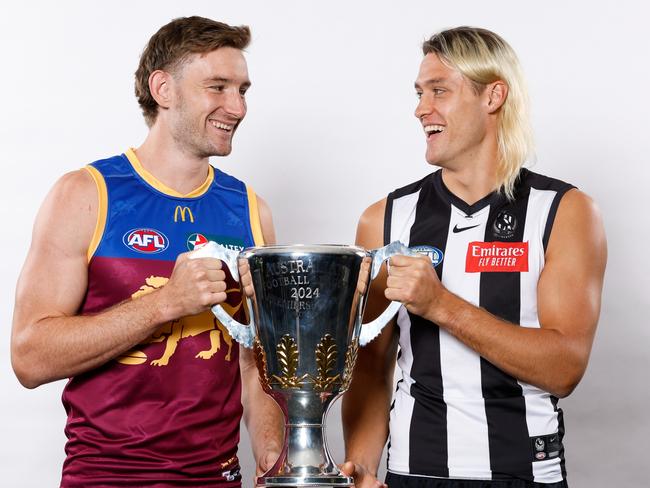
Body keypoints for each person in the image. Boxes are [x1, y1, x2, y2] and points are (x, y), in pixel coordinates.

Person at [11, 16, 282, 486]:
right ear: (163, 89)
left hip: (215, 478)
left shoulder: (251, 211)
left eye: (243, 90)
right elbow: (30, 357)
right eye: (217, 87)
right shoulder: (86, 194)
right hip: (105, 476)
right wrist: (165, 303)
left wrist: (273, 456)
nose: (236, 107)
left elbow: (254, 362)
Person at [341, 27, 606, 488]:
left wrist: (440, 304)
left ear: (493, 96)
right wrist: (362, 465)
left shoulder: (564, 211)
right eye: (420, 93)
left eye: (440, 91)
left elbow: (564, 368)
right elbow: (369, 365)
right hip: (414, 472)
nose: (422, 108)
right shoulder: (384, 219)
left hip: (523, 474)